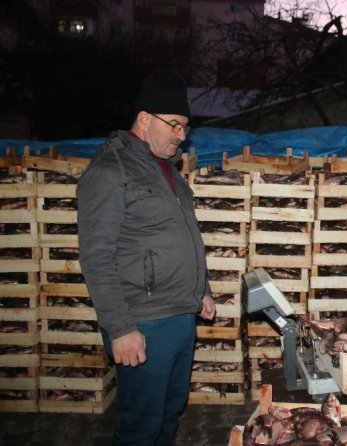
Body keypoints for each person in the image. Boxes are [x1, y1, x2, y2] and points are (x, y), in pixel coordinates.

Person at [77, 69, 215, 445]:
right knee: (141, 426)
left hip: (180, 316)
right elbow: (96, 257)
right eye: (174, 125)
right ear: (143, 119)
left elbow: (186, 237)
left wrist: (201, 289)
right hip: (144, 322)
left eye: (185, 127)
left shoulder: (168, 172)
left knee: (170, 413)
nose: (181, 135)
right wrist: (120, 327)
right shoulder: (110, 171)